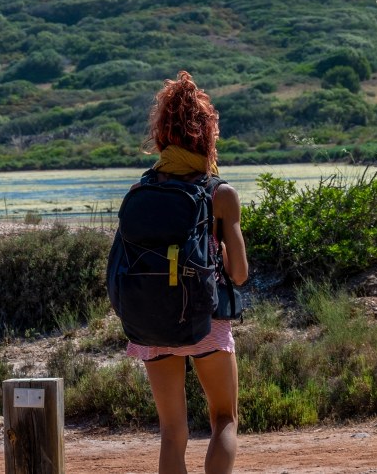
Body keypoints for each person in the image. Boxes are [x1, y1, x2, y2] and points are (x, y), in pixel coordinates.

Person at [127, 70, 249, 474]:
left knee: (172, 432)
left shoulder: (140, 190)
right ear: (206, 135)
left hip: (153, 322)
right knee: (224, 419)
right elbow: (240, 273)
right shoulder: (220, 192)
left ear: (161, 133)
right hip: (204, 320)